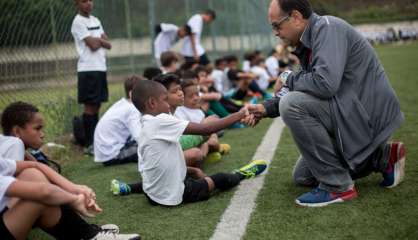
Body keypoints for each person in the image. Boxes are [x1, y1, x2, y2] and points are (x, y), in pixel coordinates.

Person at [244, 0, 405, 207]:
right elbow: (306, 84)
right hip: (352, 111)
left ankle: (338, 187)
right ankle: (382, 157)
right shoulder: (311, 38)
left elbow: (324, 84)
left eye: (277, 25)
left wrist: (286, 77)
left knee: (292, 105)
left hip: (367, 115)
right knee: (303, 176)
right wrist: (265, 108)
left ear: (295, 17)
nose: (275, 32)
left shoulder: (328, 28)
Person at [110, 80, 267, 206]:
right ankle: (241, 174)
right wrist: (239, 114)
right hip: (173, 196)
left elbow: (163, 164)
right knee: (221, 179)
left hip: (152, 194)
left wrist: (191, 170)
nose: (168, 104)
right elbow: (206, 129)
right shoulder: (160, 121)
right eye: (165, 100)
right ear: (152, 103)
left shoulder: (145, 123)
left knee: (181, 175)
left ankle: (129, 188)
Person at [0, 156, 140, 240]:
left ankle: (84, 233)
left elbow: (35, 165)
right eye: (38, 128)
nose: (42, 133)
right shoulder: (15, 143)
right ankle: (87, 234)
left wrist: (74, 188)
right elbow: (44, 192)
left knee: (31, 174)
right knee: (37, 198)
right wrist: (73, 199)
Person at [71, 0, 112, 150]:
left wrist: (98, 40)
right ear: (76, 4)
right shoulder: (78, 22)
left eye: (90, 0)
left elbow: (108, 44)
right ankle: (88, 143)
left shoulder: (96, 20)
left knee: (97, 104)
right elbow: (94, 46)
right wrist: (100, 40)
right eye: (83, 1)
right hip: (87, 69)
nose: (88, 3)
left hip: (100, 67)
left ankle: (95, 141)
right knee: (90, 106)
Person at [94, 76, 144, 166]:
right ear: (131, 94)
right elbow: (139, 136)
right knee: (152, 147)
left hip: (107, 151)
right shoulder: (132, 109)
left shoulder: (123, 103)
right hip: (113, 155)